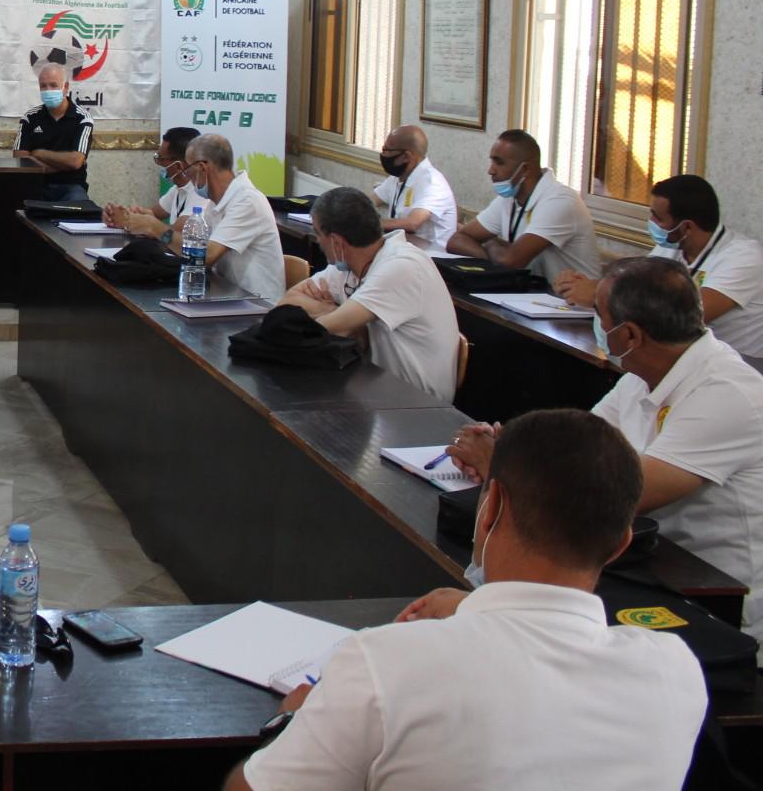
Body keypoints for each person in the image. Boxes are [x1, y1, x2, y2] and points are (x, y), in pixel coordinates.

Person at [226, 408, 705, 791]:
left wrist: (293, 719)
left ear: (490, 505)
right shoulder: (676, 669)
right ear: (622, 543)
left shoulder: (383, 663)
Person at [450, 256, 763, 651]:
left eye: (597, 314)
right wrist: (512, 446)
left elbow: (616, 497)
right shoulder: (642, 375)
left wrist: (499, 464)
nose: (594, 322)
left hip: (714, 604)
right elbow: (578, 447)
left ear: (629, 335)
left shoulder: (726, 394)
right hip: (644, 563)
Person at [276, 187, 460, 399]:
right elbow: (287, 303)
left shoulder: (402, 266)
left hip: (416, 405)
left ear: (337, 242)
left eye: (318, 234)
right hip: (371, 386)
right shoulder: (347, 265)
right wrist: (336, 313)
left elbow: (322, 330)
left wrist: (342, 320)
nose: (318, 242)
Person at [552, 175, 763, 357]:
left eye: (657, 217)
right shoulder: (674, 245)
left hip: (739, 365)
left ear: (687, 226)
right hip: (686, 355)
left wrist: (600, 295)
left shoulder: (744, 256)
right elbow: (636, 284)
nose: (650, 221)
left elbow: (684, 317)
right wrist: (583, 285)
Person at [447, 129, 599, 283]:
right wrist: (493, 257)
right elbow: (457, 240)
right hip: (528, 295)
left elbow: (511, 262)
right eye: (491, 161)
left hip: (567, 302)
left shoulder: (560, 200)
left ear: (525, 169)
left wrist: (490, 242)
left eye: (499, 162)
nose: (490, 170)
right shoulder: (509, 198)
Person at [168, 133, 286, 300]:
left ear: (202, 167)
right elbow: (192, 244)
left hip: (257, 306)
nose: (186, 176)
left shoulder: (248, 201)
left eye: (187, 169)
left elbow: (207, 256)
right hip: (226, 296)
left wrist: (158, 230)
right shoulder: (215, 202)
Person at [15, 63, 95, 201]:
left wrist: (39, 153)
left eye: (53, 85)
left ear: (66, 88)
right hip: (36, 184)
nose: (48, 90)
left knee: (78, 211)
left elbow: (75, 161)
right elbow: (20, 157)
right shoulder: (30, 117)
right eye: (43, 86)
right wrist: (62, 165)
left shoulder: (82, 118)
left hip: (71, 186)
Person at [104, 125, 201, 236]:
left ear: (178, 166)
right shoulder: (177, 189)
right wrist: (116, 216)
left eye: (160, 159)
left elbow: (176, 234)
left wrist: (139, 223)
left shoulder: (201, 193)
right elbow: (153, 214)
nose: (158, 164)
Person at [373, 124, 457, 251]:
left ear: (406, 156)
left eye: (387, 150)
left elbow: (413, 223)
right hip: (403, 248)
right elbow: (370, 201)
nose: (383, 155)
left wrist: (369, 224)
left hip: (431, 258)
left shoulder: (432, 182)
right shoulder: (398, 177)